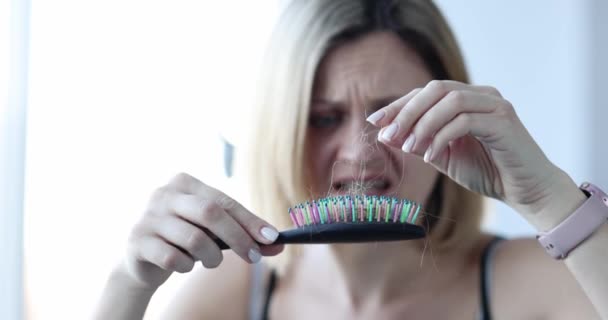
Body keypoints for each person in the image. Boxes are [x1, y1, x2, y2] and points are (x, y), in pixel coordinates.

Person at [94, 0, 607, 319]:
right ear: (281, 131)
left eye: (394, 117)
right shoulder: (230, 294)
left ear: (454, 122)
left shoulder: (526, 283)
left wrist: (550, 199)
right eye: (322, 118)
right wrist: (128, 284)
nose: (361, 154)